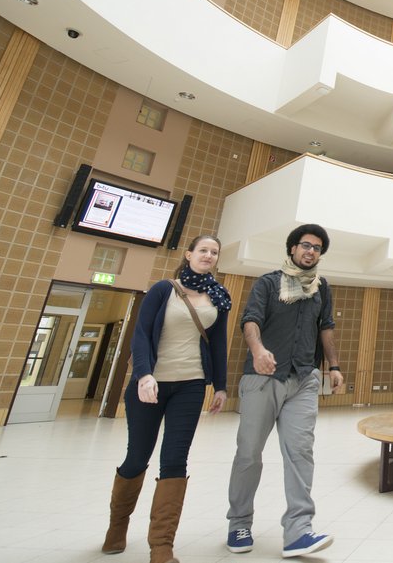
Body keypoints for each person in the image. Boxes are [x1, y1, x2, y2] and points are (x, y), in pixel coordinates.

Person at [102, 234, 231, 563]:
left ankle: (161, 547)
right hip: (150, 385)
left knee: (175, 460)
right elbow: (142, 333)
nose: (208, 255)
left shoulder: (219, 296)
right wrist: (144, 374)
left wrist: (219, 385)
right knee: (137, 457)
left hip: (190, 386)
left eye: (214, 252)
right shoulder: (164, 289)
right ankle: (117, 527)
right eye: (203, 250)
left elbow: (217, 344)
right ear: (189, 254)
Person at [226, 224, 345, 558]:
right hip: (263, 378)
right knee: (249, 453)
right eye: (306, 245)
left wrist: (333, 367)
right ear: (292, 248)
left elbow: (326, 328)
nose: (311, 251)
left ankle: (298, 531)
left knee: (300, 453)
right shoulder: (267, 282)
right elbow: (250, 320)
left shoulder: (321, 287)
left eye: (317, 248)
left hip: (304, 379)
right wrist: (258, 350)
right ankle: (239, 522)